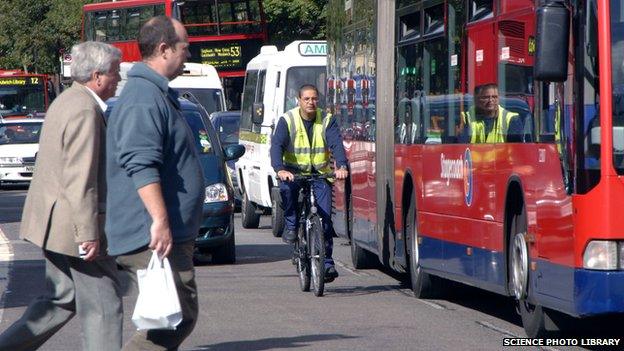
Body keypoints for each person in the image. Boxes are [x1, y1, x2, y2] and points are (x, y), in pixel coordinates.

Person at [0, 41, 122, 351]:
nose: (118, 79)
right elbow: (80, 177)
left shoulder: (66, 100)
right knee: (105, 306)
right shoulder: (85, 109)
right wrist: (88, 234)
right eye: (115, 73)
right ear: (97, 76)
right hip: (73, 226)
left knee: (63, 298)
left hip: (53, 223)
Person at [106, 16, 204, 350]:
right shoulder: (143, 97)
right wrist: (160, 221)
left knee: (171, 316)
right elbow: (140, 162)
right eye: (184, 47)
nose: (188, 54)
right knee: (173, 318)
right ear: (164, 49)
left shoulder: (153, 93)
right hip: (153, 233)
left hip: (163, 231)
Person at [270, 84, 349, 282]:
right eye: (306, 99)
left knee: (324, 218)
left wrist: (341, 166)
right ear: (299, 101)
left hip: (320, 174)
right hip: (293, 173)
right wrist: (280, 169)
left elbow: (336, 144)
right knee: (287, 191)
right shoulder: (288, 120)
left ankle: (327, 263)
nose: (311, 102)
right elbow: (276, 146)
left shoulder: (326, 119)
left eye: (314, 99)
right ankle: (291, 224)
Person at [460, 83, 524, 143]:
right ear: (476, 100)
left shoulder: (511, 119)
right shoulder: (466, 118)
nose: (490, 100)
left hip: (502, 155)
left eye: (494, 97)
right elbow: (461, 146)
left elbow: (516, 148)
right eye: (485, 97)